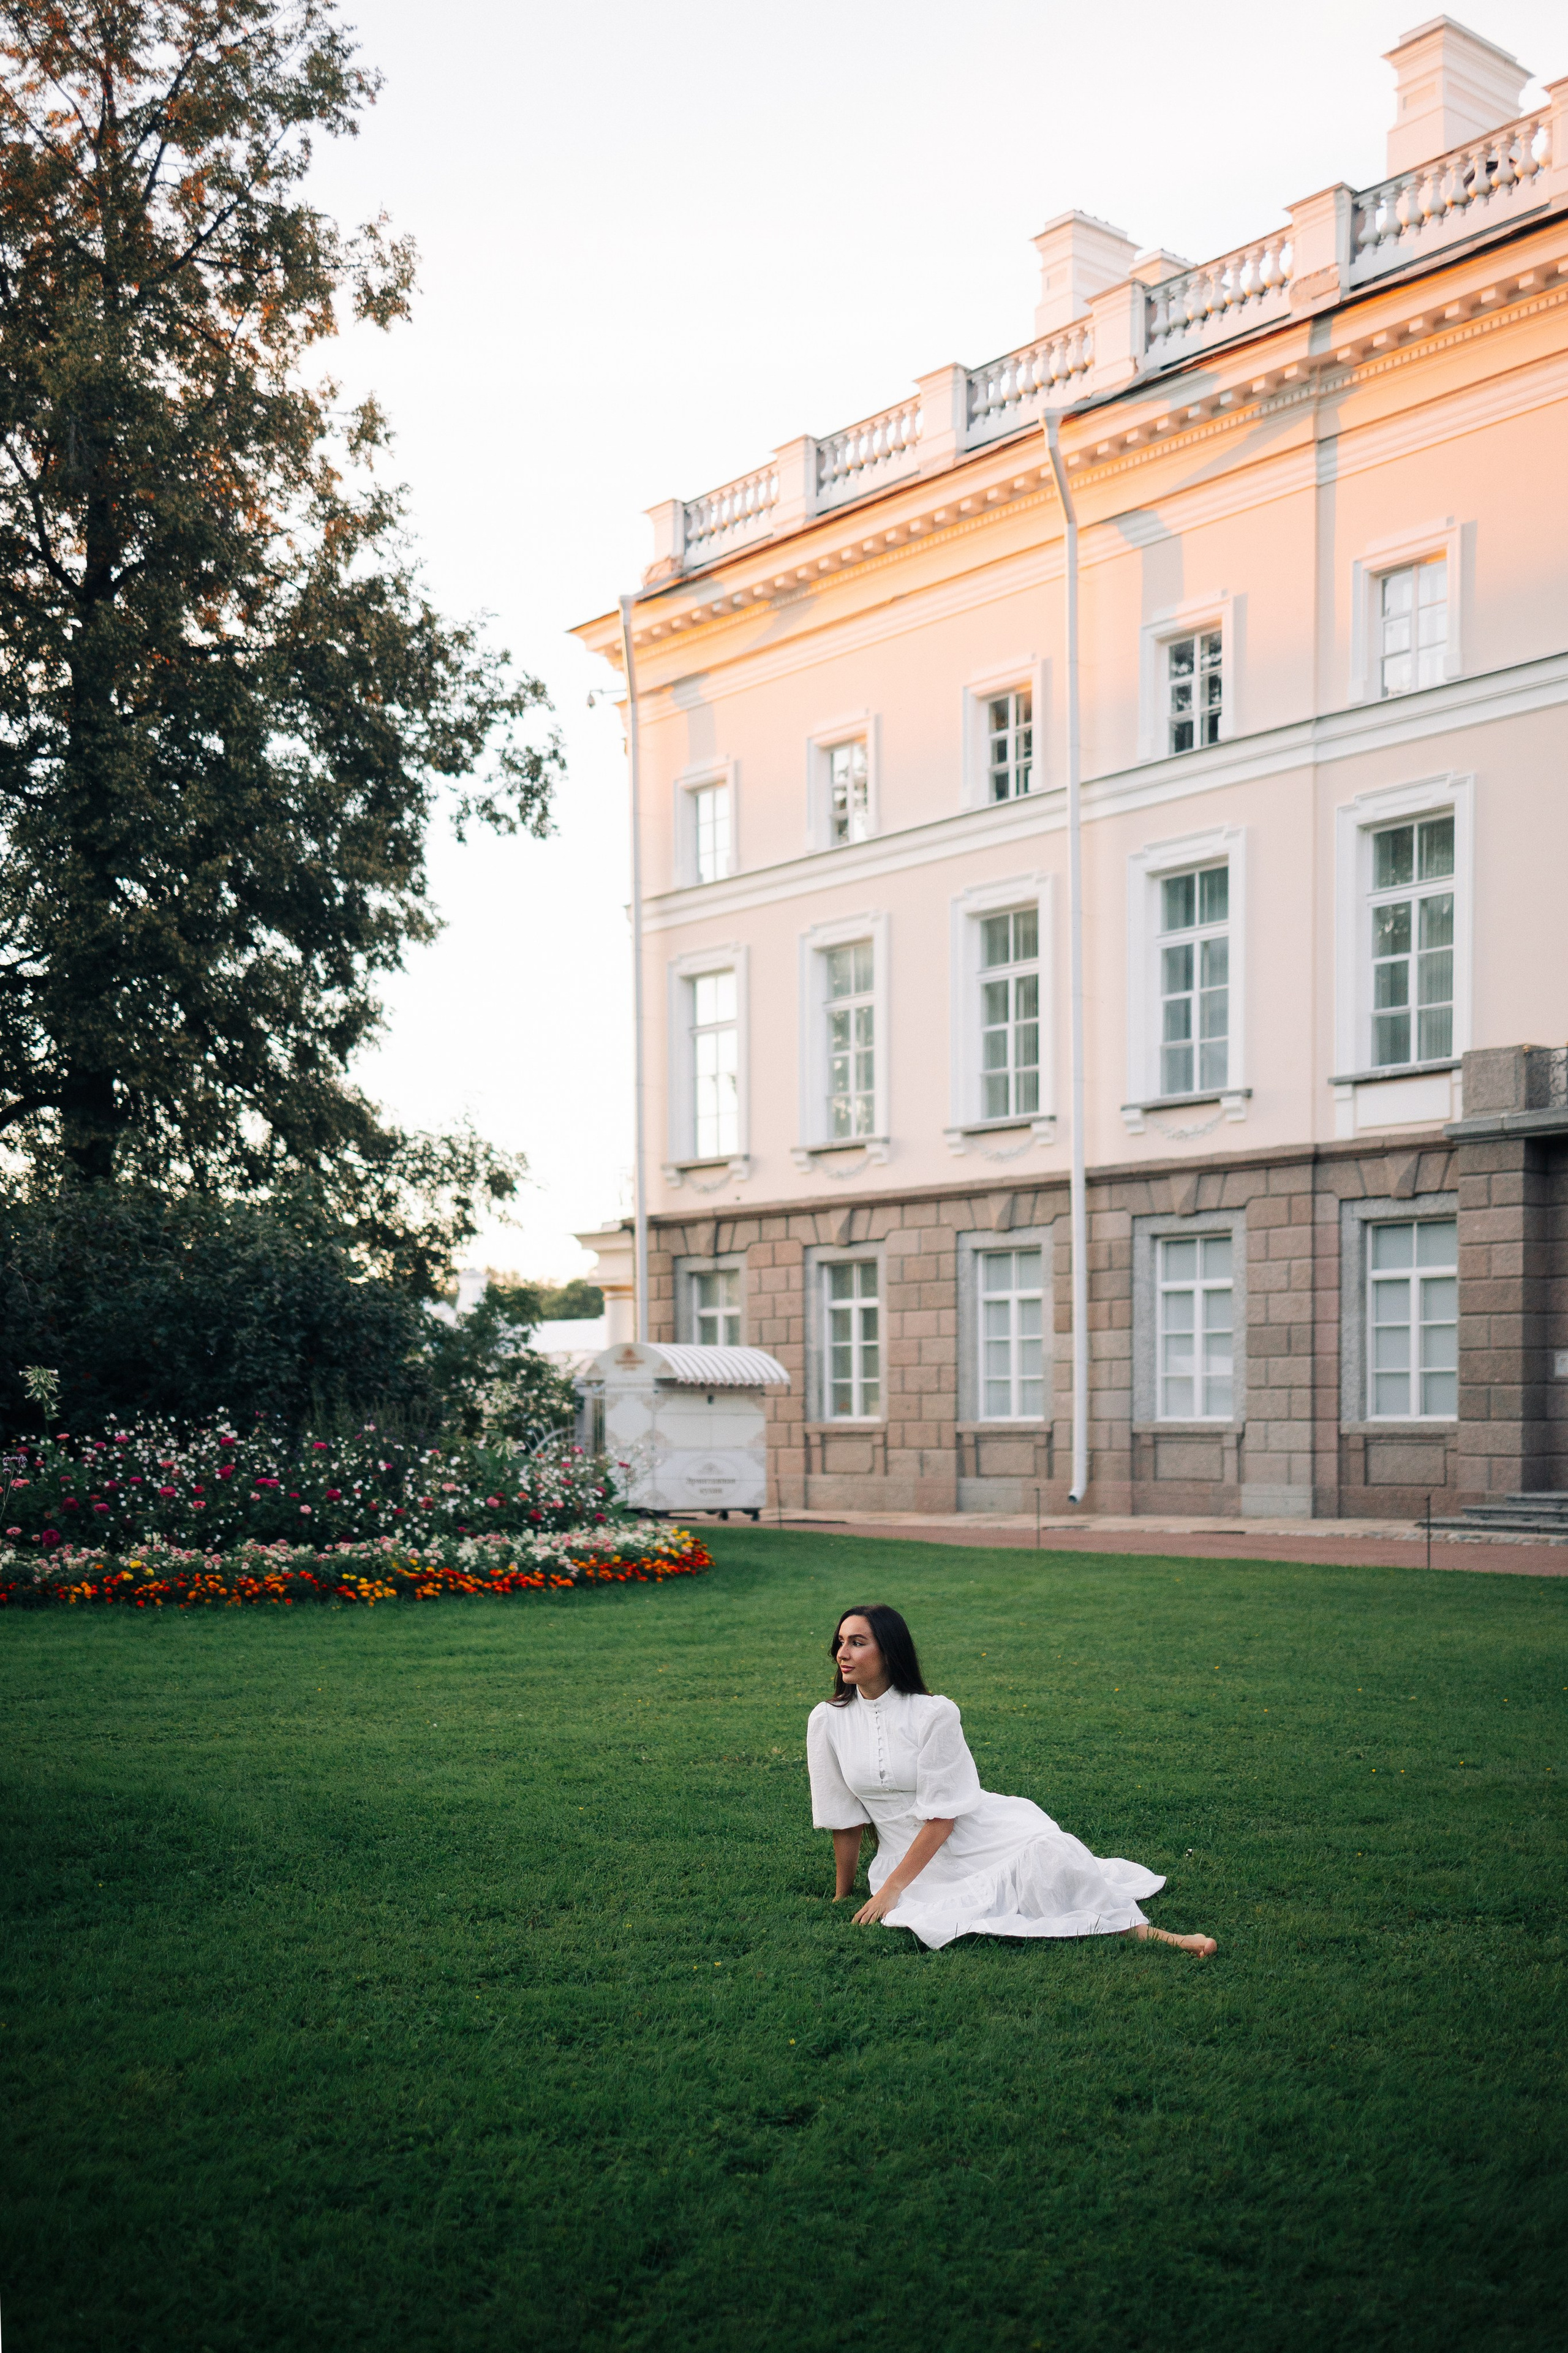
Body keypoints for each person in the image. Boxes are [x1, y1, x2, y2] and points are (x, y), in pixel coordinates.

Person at [807, 1603, 1216, 1955]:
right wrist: (845, 1893)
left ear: (890, 1651)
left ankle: (1156, 1935)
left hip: (976, 1835)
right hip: (908, 1861)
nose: (842, 1652)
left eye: (857, 1642)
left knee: (1053, 1857)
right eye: (841, 1641)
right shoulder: (827, 1720)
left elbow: (944, 1818)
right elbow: (843, 1816)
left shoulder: (933, 1714)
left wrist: (892, 1889)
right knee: (953, 1907)